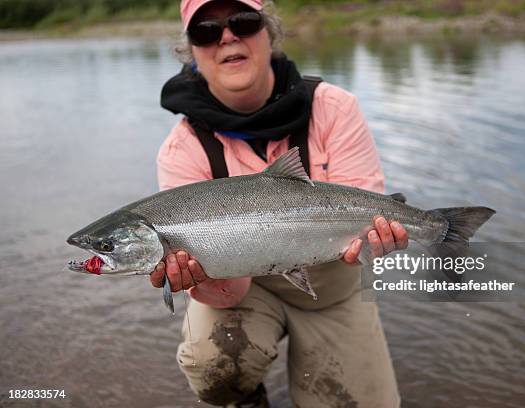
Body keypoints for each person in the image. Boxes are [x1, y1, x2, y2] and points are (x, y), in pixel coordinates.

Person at [150, 0, 408, 406]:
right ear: (192, 52)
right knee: (213, 366)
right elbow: (228, 292)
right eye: (206, 31)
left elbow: (366, 219)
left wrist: (377, 240)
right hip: (242, 288)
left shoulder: (335, 108)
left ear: (268, 32)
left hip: (334, 290)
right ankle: (247, 395)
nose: (227, 36)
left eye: (243, 21)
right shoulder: (182, 149)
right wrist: (198, 277)